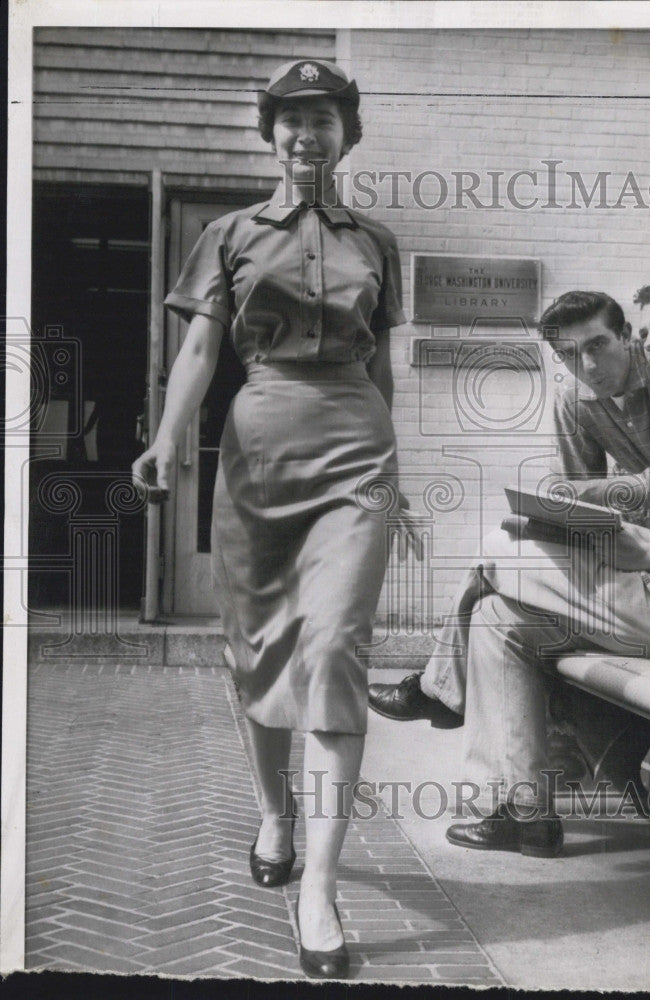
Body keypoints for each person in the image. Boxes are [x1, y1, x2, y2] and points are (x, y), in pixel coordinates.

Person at [132, 58, 417, 979]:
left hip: (356, 454)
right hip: (257, 446)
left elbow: (379, 369)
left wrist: (393, 478)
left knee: (335, 647)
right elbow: (201, 349)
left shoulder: (377, 241)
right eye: (290, 121)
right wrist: (169, 439)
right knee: (255, 648)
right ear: (270, 134)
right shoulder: (226, 233)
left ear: (346, 135)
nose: (307, 136)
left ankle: (319, 891)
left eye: (323, 120)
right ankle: (272, 811)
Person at [375, 279, 650, 855]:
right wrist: (578, 515)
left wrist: (649, 549)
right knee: (498, 619)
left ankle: (437, 688)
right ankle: (525, 814)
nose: (649, 346)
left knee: (497, 546)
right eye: (647, 334)